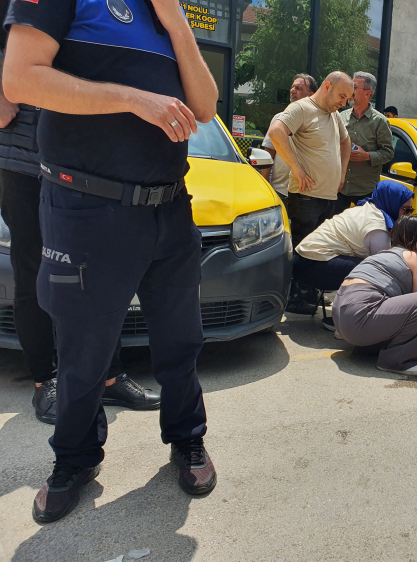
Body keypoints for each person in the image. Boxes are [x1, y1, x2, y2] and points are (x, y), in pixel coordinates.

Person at [4, 0, 219, 522]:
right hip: (85, 207)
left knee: (180, 339)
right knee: (83, 349)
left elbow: (206, 106)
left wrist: (176, 22)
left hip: (170, 205)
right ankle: (74, 459)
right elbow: (20, 80)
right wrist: (133, 100)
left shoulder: (166, 11)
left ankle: (188, 438)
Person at [0, 2, 159, 425]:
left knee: (102, 273)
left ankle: (108, 376)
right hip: (27, 157)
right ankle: (46, 380)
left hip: (91, 161)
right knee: (36, 269)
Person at [294, 180, 414, 325]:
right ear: (392, 204)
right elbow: (386, 266)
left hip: (307, 260)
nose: (407, 215)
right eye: (405, 210)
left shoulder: (368, 208)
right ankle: (347, 321)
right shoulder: (377, 226)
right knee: (373, 273)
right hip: (311, 265)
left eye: (411, 211)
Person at [332, 214, 417, 376]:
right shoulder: (416, 258)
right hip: (359, 317)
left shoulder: (384, 255)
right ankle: (396, 361)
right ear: (409, 236)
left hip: (341, 320)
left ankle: (368, 350)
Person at [268, 71, 354, 248]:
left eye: (347, 99)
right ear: (327, 86)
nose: (343, 103)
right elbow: (276, 131)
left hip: (329, 195)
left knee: (320, 249)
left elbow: (346, 141)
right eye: (342, 96)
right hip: (306, 197)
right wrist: (296, 168)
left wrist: (342, 173)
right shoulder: (301, 108)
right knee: (302, 248)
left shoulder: (334, 114)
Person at [336, 72, 394, 214]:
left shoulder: (380, 121)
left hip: (365, 191)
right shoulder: (341, 116)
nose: (350, 91)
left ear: (367, 93)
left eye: (354, 87)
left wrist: (367, 156)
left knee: (362, 227)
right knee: (336, 225)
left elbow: (388, 153)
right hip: (339, 187)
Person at [260, 73, 318, 206]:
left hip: (307, 194)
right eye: (292, 87)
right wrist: (265, 186)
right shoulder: (279, 120)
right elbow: (269, 153)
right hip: (279, 192)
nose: (292, 91)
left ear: (311, 95)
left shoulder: (318, 123)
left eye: (298, 88)